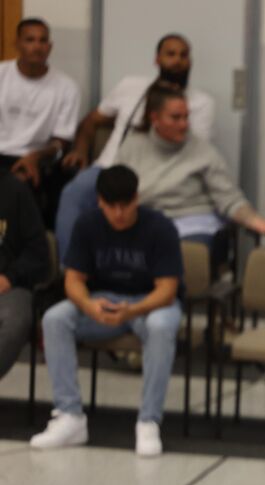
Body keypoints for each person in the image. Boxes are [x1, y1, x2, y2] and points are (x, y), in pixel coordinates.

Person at [30, 166, 182, 457]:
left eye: (125, 205)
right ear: (100, 201)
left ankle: (149, 420)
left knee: (162, 327)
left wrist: (132, 310)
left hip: (148, 303)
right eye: (111, 206)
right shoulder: (87, 225)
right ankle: (69, 415)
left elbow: (167, 290)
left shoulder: (160, 227)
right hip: (102, 302)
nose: (119, 213)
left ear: (137, 198)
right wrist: (88, 305)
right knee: (55, 319)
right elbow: (73, 280)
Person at [56, 33, 215, 261]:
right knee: (74, 193)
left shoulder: (201, 103)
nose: (177, 60)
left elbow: (192, 150)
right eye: (170, 54)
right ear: (156, 60)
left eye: (184, 55)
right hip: (109, 167)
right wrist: (80, 149)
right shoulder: (130, 86)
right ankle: (70, 273)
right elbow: (92, 121)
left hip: (159, 173)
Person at [116, 84, 265, 265]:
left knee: (179, 257)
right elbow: (114, 192)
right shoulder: (132, 146)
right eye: (175, 118)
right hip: (143, 222)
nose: (184, 124)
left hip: (191, 224)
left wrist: (254, 220)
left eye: (186, 117)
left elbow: (229, 198)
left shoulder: (202, 151)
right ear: (155, 118)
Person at [0, 18, 81, 221]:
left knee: (19, 185)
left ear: (50, 46)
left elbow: (61, 141)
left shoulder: (66, 87)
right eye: (30, 40)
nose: (37, 46)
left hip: (37, 159)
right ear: (17, 43)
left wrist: (36, 157)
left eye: (43, 41)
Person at [0, 173, 50, 379]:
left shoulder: (15, 191)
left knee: (15, 319)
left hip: (9, 286)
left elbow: (38, 252)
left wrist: (10, 277)